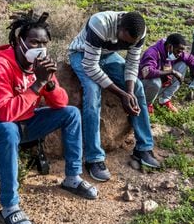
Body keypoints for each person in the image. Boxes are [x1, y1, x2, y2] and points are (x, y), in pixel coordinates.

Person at [0, 11, 97, 224]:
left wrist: (48, 84)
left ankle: (73, 178)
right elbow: (4, 113)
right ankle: (10, 206)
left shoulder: (40, 65)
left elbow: (61, 102)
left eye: (44, 43)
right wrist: (37, 84)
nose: (40, 47)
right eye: (34, 41)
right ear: (20, 42)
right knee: (7, 129)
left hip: (24, 124)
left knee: (71, 113)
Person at [68, 11, 160, 182]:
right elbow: (90, 67)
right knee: (93, 91)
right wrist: (121, 93)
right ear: (119, 27)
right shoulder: (100, 23)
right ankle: (93, 158)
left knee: (138, 86)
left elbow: (132, 64)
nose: (126, 44)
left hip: (107, 55)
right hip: (82, 55)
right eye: (125, 41)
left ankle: (143, 147)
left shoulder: (139, 31)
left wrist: (130, 92)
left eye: (130, 43)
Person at [139, 33, 194, 113]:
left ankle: (164, 99)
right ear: (170, 47)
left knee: (183, 65)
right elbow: (147, 73)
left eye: (181, 52)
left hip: (159, 86)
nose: (180, 54)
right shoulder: (152, 53)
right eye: (178, 51)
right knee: (155, 82)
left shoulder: (175, 52)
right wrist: (172, 72)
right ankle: (146, 104)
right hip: (144, 87)